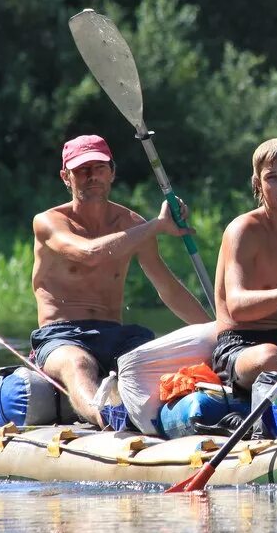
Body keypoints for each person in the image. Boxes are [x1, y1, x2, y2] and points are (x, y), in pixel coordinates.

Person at [31, 134, 211, 427]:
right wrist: (157, 226)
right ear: (66, 177)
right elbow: (88, 253)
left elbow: (167, 287)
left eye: (99, 168)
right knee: (78, 363)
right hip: (61, 336)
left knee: (169, 358)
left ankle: (193, 414)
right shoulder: (48, 222)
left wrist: (214, 332)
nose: (92, 176)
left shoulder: (131, 224)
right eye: (82, 170)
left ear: (112, 172)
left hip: (116, 335)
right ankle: (105, 417)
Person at [212, 138, 277, 394]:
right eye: (272, 178)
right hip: (240, 346)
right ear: (258, 185)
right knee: (273, 356)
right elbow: (236, 306)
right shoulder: (243, 230)